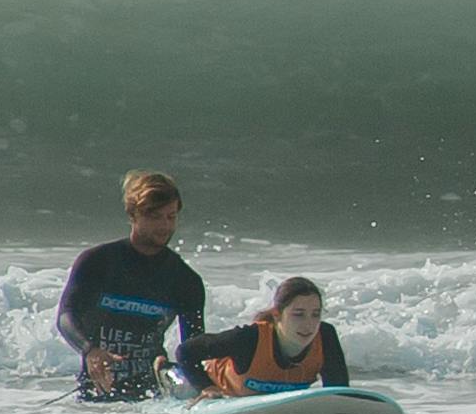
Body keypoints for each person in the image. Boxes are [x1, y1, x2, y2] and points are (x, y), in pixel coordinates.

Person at [58, 170, 213, 402]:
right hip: (94, 404)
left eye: (171, 217)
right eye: (155, 217)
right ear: (133, 215)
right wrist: (90, 350)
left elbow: (193, 349)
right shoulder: (97, 262)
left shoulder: (185, 280)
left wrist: (206, 387)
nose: (165, 226)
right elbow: (66, 316)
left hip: (152, 404)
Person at [194, 276, 350, 396]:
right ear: (277, 314)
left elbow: (337, 391)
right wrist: (206, 387)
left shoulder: (325, 336)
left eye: (315, 314)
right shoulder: (250, 338)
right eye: (298, 314)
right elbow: (186, 351)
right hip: (209, 383)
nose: (309, 324)